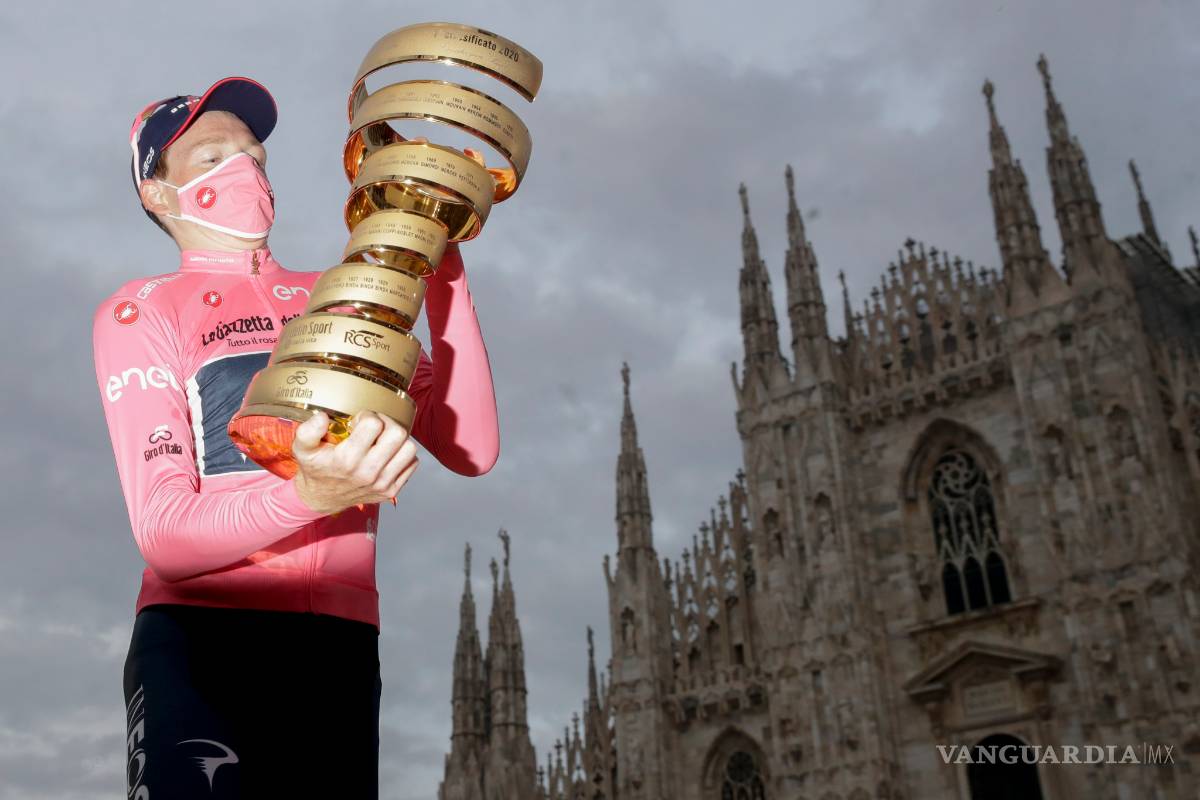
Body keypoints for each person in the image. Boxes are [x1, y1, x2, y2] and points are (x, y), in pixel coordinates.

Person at [94, 76, 500, 799]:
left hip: (340, 650)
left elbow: (469, 446)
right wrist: (310, 495)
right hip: (199, 646)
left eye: (254, 153)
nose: (245, 167)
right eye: (213, 154)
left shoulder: (345, 292)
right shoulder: (142, 310)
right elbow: (164, 532)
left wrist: (440, 254)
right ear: (157, 193)